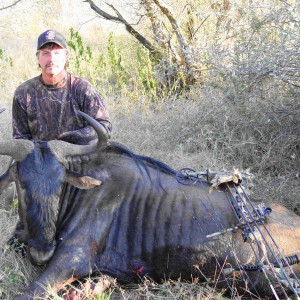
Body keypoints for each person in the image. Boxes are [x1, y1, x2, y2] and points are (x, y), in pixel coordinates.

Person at [12, 29, 112, 144]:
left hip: (79, 156)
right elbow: (20, 139)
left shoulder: (82, 88)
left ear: (65, 58)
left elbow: (104, 127)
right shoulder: (23, 93)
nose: (51, 59)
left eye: (57, 53)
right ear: (38, 58)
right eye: (45, 53)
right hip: (40, 158)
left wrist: (68, 139)